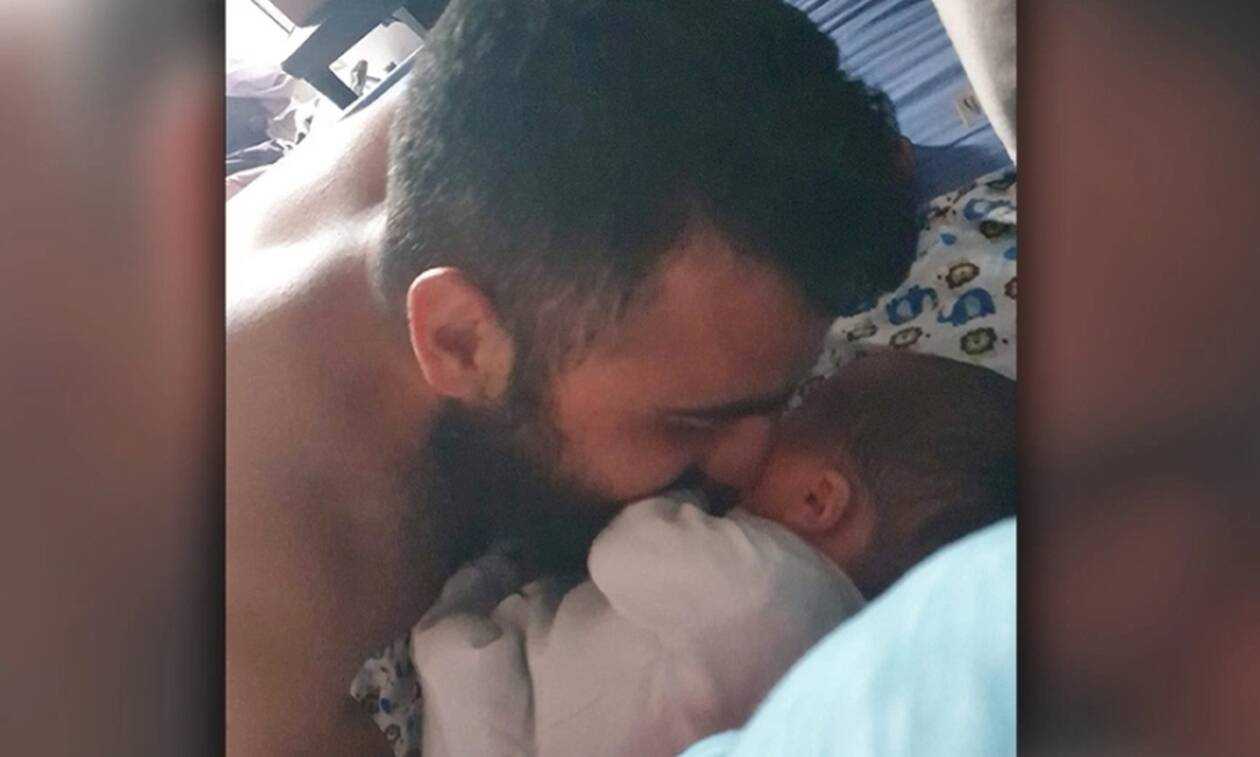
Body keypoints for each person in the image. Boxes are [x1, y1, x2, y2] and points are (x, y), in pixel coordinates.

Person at [226, 0, 915, 751]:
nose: (756, 459)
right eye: (693, 422)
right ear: (461, 343)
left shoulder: (537, 91)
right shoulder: (250, 638)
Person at [353, 351, 1014, 756]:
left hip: (519, 734)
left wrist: (691, 489)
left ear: (818, 500)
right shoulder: (835, 645)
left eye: (795, 417)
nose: (758, 437)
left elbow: (621, 549)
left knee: (456, 646)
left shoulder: (758, 581)